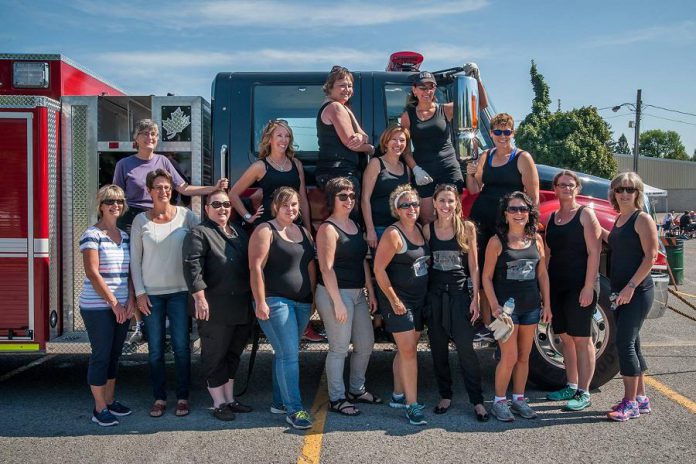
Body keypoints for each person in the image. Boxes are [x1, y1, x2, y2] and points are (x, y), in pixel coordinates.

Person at [113, 119, 227, 344]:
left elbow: (183, 188)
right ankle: (139, 324)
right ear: (136, 139)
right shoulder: (124, 164)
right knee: (132, 268)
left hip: (161, 215)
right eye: (144, 134)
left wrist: (213, 188)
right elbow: (117, 195)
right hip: (132, 219)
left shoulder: (163, 161)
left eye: (153, 134)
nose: (150, 138)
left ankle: (163, 321)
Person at [130, 169, 199, 418]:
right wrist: (139, 294)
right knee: (155, 350)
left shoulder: (186, 216)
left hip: (180, 293)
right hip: (151, 296)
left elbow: (205, 238)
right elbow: (135, 262)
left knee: (182, 347)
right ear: (149, 191)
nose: (163, 191)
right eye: (158, 187)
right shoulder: (140, 221)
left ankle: (182, 397)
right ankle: (159, 398)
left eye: (167, 186)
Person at [466, 113, 539, 342]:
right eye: (497, 132)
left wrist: (525, 225)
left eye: (507, 132)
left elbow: (532, 197)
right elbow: (475, 188)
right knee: (482, 272)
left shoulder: (522, 158)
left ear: (513, 133)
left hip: (507, 223)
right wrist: (470, 173)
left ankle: (504, 322)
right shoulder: (485, 156)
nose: (502, 136)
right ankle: (487, 325)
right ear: (491, 134)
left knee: (501, 273)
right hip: (482, 219)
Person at [248, 186, 317, 430]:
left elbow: (309, 267)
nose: (291, 209)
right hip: (276, 301)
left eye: (295, 204)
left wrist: (312, 301)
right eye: (285, 204)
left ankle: (279, 402)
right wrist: (261, 301)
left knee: (284, 354)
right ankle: (295, 409)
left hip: (302, 303)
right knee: (290, 354)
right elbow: (256, 267)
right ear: (276, 207)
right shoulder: (265, 230)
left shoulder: (304, 232)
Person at [183, 189, 254, 422]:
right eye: (216, 205)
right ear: (206, 209)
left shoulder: (239, 232)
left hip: (240, 304)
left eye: (225, 204)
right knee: (215, 355)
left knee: (233, 354)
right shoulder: (199, 233)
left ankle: (230, 399)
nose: (222, 208)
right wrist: (199, 298)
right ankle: (218, 403)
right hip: (213, 306)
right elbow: (193, 267)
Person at [482, 191, 551, 422]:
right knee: (509, 357)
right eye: (513, 209)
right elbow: (486, 278)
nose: (518, 213)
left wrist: (547, 304)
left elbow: (542, 275)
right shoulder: (496, 242)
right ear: (505, 214)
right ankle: (499, 402)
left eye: (522, 209)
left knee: (524, 356)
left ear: (529, 213)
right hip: (507, 313)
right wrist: (494, 306)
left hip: (531, 307)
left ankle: (519, 399)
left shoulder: (537, 240)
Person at [315, 178, 380, 417]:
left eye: (352, 196)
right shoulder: (327, 229)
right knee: (339, 348)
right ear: (332, 199)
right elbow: (326, 268)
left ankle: (356, 389)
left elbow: (362, 260)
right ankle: (337, 398)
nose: (349, 200)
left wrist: (370, 292)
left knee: (365, 344)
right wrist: (338, 302)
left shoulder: (354, 224)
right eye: (343, 196)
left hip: (357, 294)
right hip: (335, 293)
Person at [423, 184, 488, 421]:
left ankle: (477, 400)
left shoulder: (466, 228)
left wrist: (476, 298)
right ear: (434, 203)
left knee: (466, 350)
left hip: (460, 295)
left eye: (450, 201)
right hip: (436, 295)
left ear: (457, 204)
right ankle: (445, 395)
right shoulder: (427, 230)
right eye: (442, 201)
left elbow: (474, 266)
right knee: (438, 349)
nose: (446, 205)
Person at [544, 170, 602, 411]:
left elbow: (595, 252)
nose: (567, 189)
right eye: (562, 185)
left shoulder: (585, 214)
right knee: (565, 338)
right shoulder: (552, 218)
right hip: (558, 285)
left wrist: (589, 286)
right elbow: (547, 254)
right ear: (555, 189)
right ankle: (570, 384)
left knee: (582, 338)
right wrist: (545, 289)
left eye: (571, 185)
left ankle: (584, 392)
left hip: (581, 286)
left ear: (577, 189)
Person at [603, 172, 658, 422]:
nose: (624, 194)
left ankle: (630, 404)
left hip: (637, 292)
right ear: (613, 193)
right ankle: (642, 398)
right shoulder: (620, 220)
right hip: (620, 291)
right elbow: (616, 244)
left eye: (630, 189)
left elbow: (651, 256)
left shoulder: (641, 219)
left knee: (624, 344)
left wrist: (631, 287)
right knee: (633, 343)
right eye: (620, 189)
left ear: (638, 193)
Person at [373, 185, 430, 426]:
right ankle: (412, 405)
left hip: (418, 300)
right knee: (409, 352)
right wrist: (394, 300)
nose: (411, 208)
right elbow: (378, 269)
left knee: (406, 349)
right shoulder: (393, 234)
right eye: (405, 205)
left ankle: (398, 394)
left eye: (415, 204)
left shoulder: (420, 229)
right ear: (396, 209)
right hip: (398, 301)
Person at [400, 68, 488, 223]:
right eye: (422, 88)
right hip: (424, 172)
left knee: (453, 216)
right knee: (427, 218)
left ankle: (455, 247)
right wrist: (416, 169)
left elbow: (480, 104)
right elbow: (405, 151)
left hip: (449, 168)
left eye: (431, 87)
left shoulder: (446, 109)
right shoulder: (408, 116)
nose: (427, 91)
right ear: (414, 90)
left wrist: (477, 79)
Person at [79, 185, 134, 426]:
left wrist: (130, 301)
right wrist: (114, 304)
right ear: (101, 206)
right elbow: (92, 273)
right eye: (110, 201)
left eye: (120, 201)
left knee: (114, 355)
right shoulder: (92, 234)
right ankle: (99, 408)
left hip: (122, 306)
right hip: (98, 307)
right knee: (101, 356)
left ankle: (110, 402)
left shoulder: (125, 236)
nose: (116, 205)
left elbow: (130, 273)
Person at [229, 119, 311, 225]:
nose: (284, 140)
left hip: (293, 224)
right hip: (268, 225)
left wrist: (308, 230)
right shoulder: (260, 166)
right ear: (270, 139)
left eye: (287, 136)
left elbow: (303, 199)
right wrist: (248, 217)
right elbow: (232, 194)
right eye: (279, 135)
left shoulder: (296, 164)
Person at [316, 65, 375, 194]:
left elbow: (363, 135)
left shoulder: (344, 107)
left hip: (339, 172)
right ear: (330, 86)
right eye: (342, 85)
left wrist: (361, 137)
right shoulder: (335, 107)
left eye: (349, 85)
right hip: (338, 173)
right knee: (347, 214)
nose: (347, 89)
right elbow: (351, 144)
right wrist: (371, 149)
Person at [361, 125, 412, 249]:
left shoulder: (406, 169)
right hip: (380, 229)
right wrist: (370, 230)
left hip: (401, 228)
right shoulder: (376, 164)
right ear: (386, 142)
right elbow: (365, 199)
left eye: (402, 140)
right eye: (393, 139)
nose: (398, 143)